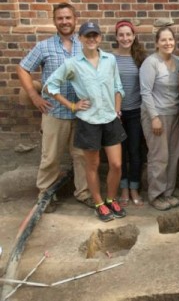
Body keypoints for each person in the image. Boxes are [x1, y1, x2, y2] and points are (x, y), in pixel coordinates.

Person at [45, 21, 127, 222]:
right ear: (80, 39)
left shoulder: (109, 60)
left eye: (95, 35)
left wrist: (117, 107)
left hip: (110, 118)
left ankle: (111, 198)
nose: (91, 39)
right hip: (88, 120)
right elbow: (50, 86)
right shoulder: (73, 64)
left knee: (116, 164)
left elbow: (118, 86)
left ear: (99, 37)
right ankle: (99, 202)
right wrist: (72, 106)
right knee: (93, 164)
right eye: (87, 36)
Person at [17, 2, 93, 212]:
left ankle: (84, 192)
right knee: (50, 156)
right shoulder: (44, 46)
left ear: (75, 19)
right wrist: (34, 95)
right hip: (54, 111)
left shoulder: (85, 44)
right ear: (54, 21)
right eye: (60, 18)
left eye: (68, 17)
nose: (64, 22)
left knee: (81, 156)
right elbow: (23, 68)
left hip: (81, 112)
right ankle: (46, 195)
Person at [140, 26, 179, 211]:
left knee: (173, 156)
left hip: (175, 115)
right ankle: (155, 194)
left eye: (170, 40)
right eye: (163, 40)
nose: (168, 43)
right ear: (157, 43)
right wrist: (154, 117)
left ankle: (168, 192)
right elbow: (145, 92)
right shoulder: (151, 63)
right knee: (159, 156)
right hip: (156, 116)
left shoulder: (178, 61)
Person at [113, 20, 146, 207]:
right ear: (116, 37)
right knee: (120, 152)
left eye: (128, 35)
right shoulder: (109, 58)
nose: (125, 38)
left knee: (135, 151)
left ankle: (134, 187)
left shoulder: (140, 58)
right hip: (116, 113)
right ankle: (123, 187)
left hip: (135, 112)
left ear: (134, 36)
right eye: (121, 35)